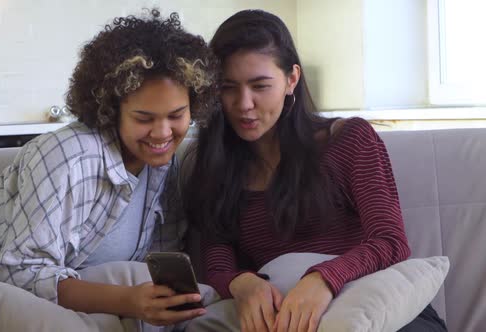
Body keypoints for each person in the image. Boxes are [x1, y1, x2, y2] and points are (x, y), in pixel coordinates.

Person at [0, 9, 218, 331]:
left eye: (176, 115)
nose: (163, 133)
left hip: (41, 301)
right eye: (144, 118)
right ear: (110, 109)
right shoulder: (69, 155)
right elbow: (20, 273)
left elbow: (156, 260)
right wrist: (129, 301)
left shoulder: (163, 165)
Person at [182, 9, 448, 332]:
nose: (244, 104)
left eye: (260, 86)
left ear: (291, 79)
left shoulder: (349, 140)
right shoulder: (215, 162)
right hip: (289, 317)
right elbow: (217, 258)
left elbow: (391, 241)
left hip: (381, 310)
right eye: (228, 87)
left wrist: (323, 279)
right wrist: (242, 284)